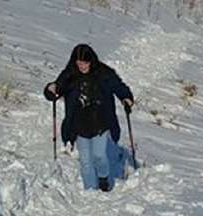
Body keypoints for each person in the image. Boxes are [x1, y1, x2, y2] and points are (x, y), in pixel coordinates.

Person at [43, 43, 135, 192]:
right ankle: (90, 191)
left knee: (99, 156)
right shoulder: (69, 75)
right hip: (79, 124)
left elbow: (119, 86)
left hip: (101, 121)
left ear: (91, 61)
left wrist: (126, 98)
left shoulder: (103, 73)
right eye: (79, 63)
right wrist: (50, 89)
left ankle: (103, 177)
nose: (82, 66)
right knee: (85, 162)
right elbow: (55, 90)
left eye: (85, 63)